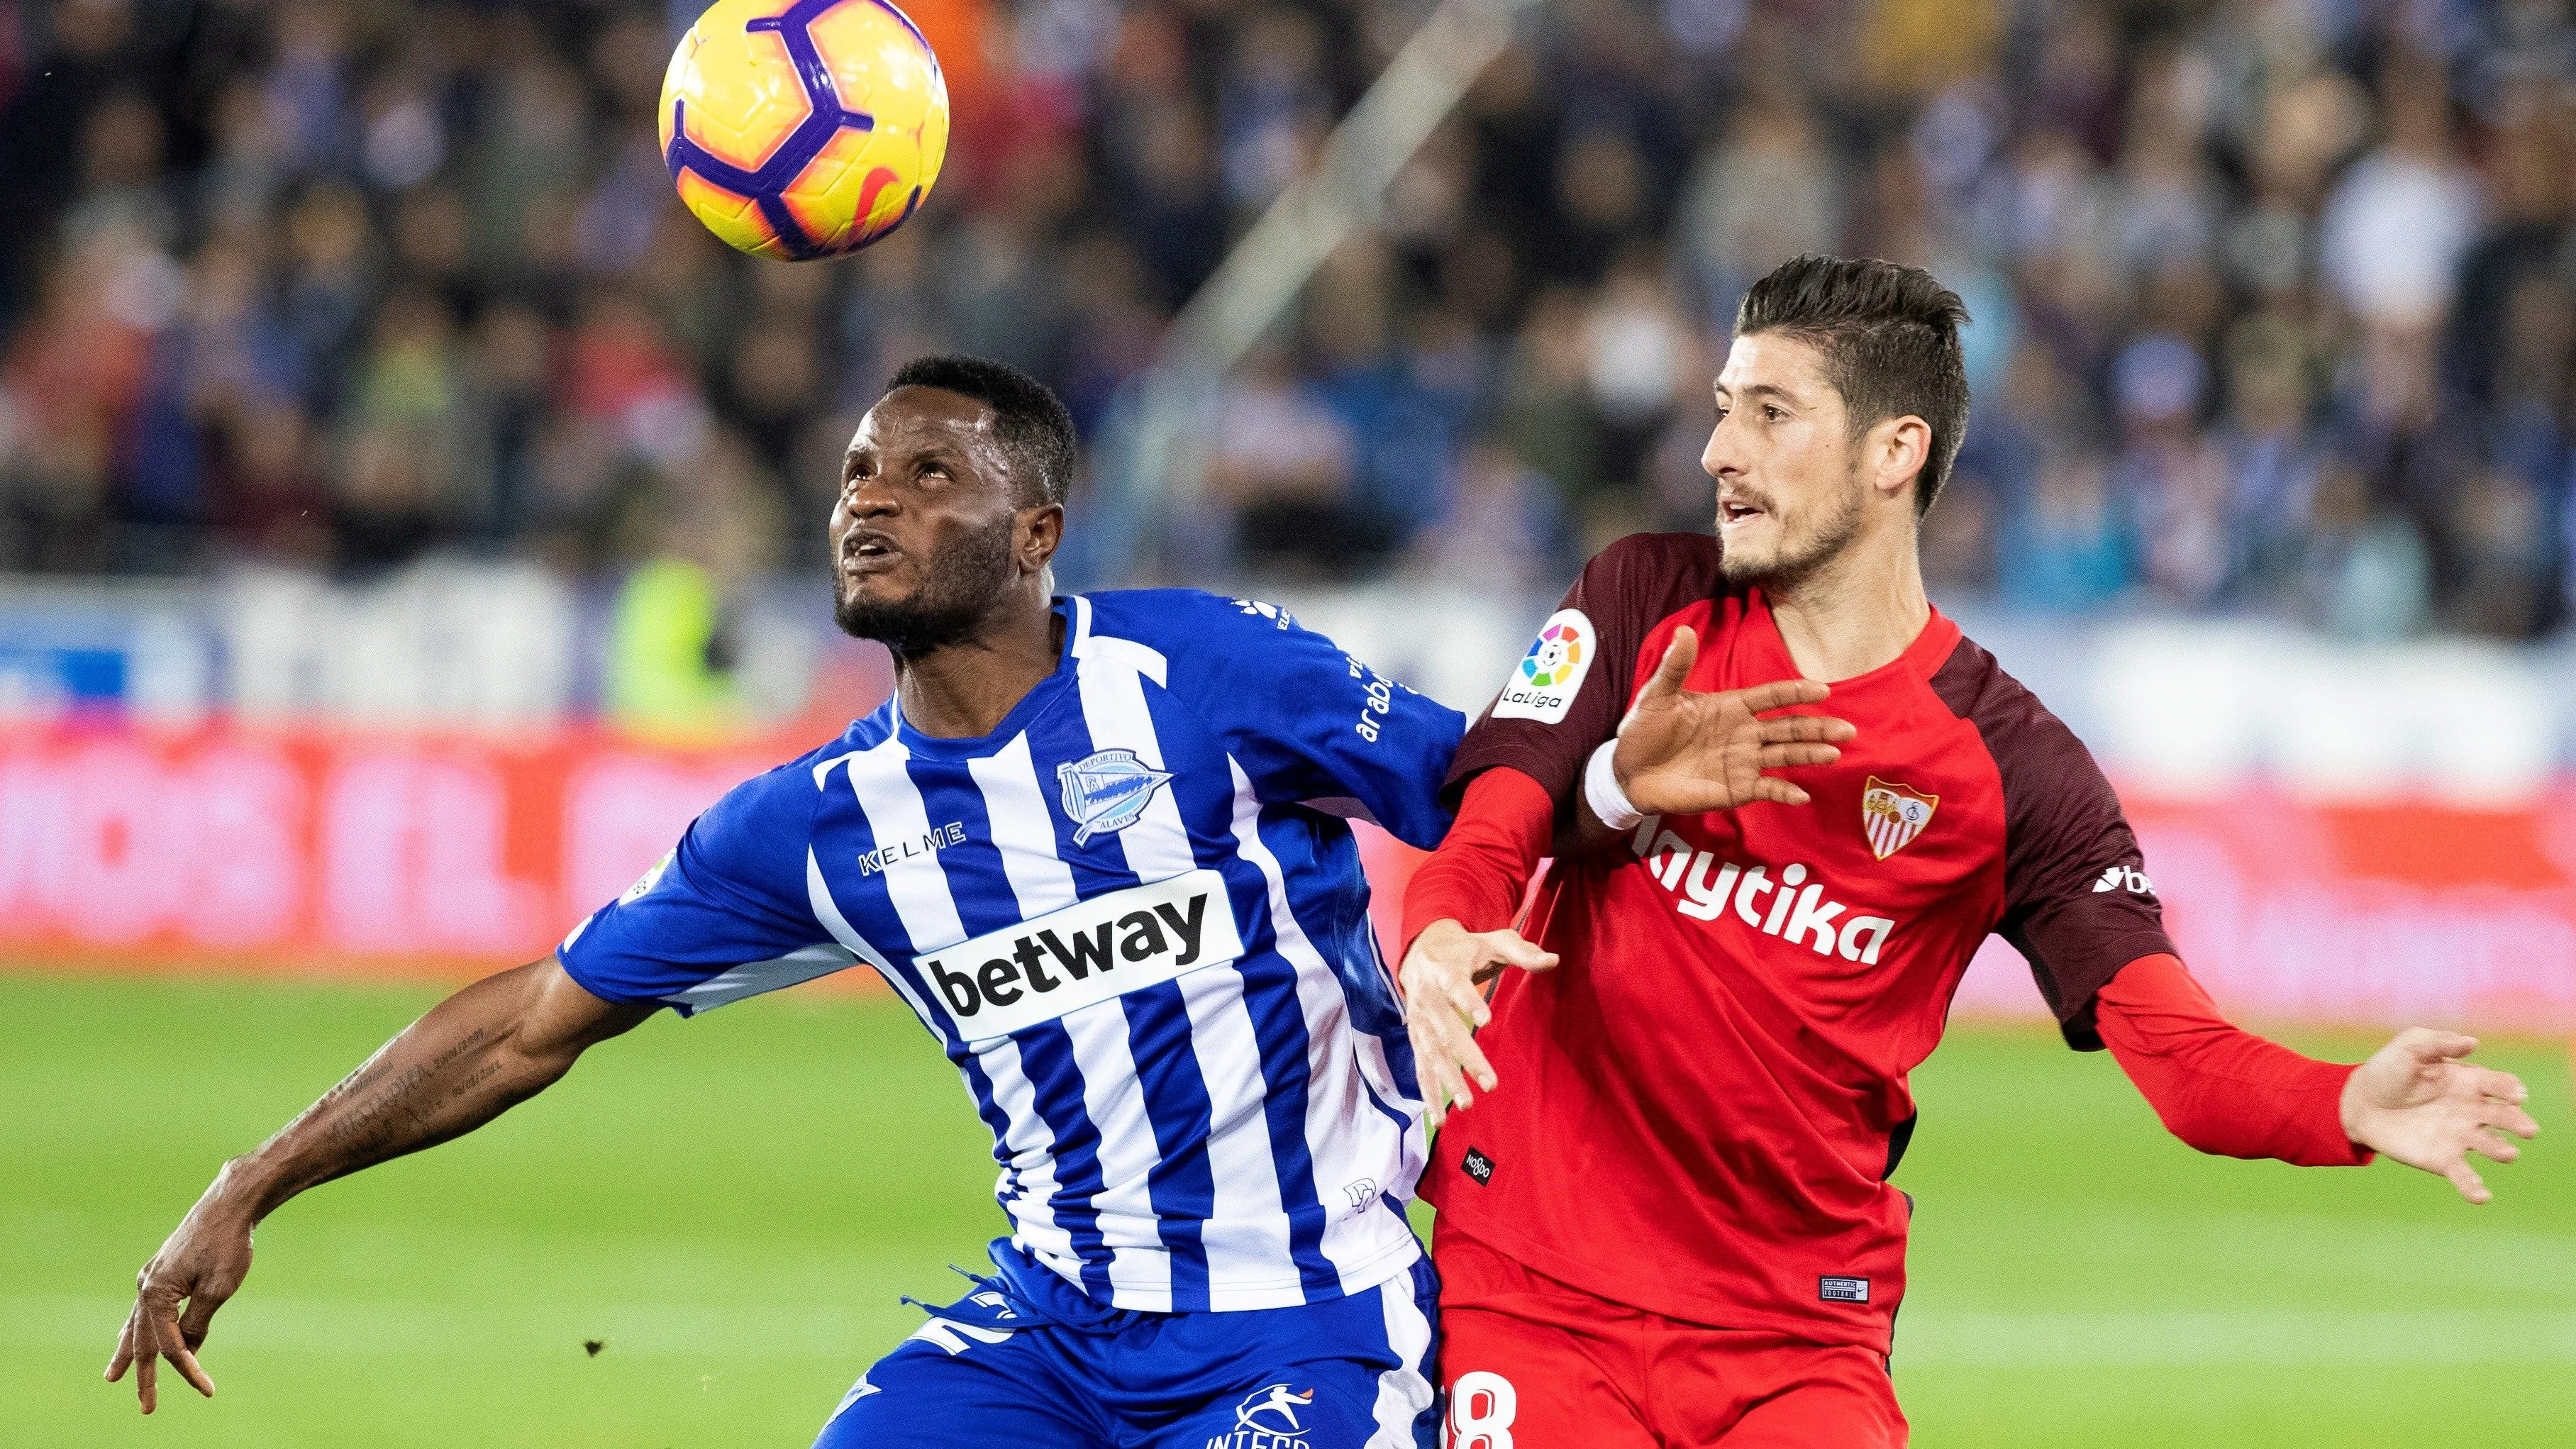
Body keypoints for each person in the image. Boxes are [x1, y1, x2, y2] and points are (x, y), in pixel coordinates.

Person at [109, 355, 1460, 1448]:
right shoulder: (814, 826)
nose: (871, 501)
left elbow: (1491, 790)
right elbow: (531, 1020)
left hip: (1308, 1316)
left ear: (1037, 533)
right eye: (859, 472)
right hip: (1053, 1333)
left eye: (932, 474)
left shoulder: (1205, 674)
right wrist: (254, 1180)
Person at [1397, 255, 2541, 1448]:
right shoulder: (1642, 600)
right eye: (1725, 405)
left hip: (1796, 1344)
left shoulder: (2016, 769)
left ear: (1894, 452)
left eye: (1770, 413)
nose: (1719, 450)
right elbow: (1486, 831)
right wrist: (1438, 932)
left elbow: (2175, 1048)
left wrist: (2341, 1098)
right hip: (1539, 1295)